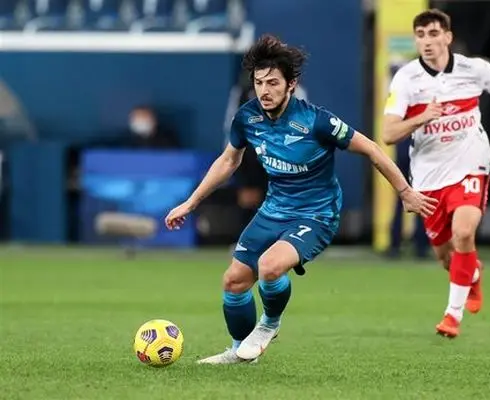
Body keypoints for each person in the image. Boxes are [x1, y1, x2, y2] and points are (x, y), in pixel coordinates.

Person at [165, 34, 438, 364]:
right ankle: (238, 352)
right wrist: (191, 202)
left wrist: (405, 192)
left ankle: (269, 323)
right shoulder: (247, 118)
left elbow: (371, 149)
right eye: (259, 83)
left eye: (273, 83)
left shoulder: (317, 121)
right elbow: (228, 161)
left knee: (269, 267)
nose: (264, 91)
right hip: (274, 209)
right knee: (234, 281)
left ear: (291, 84)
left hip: (317, 214)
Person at [382, 9, 490, 338]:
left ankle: (452, 315)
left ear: (447, 37)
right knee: (446, 257)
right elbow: (388, 134)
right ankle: (471, 273)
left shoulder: (475, 69)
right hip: (429, 175)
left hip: (471, 163)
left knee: (464, 232)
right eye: (421, 35)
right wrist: (422, 117)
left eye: (434, 34)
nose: (427, 41)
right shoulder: (406, 78)